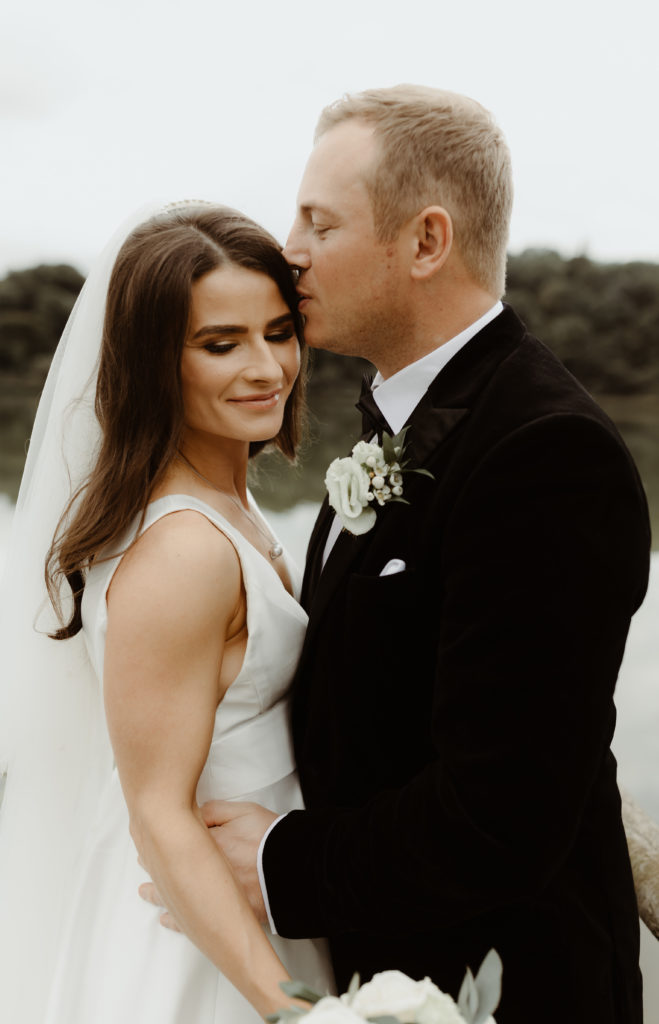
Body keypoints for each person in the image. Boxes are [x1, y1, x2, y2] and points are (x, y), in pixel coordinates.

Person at [190, 87, 652, 1023]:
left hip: (505, 988)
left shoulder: (546, 455)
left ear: (425, 242)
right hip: (385, 974)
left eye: (320, 221)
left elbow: (502, 813)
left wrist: (282, 863)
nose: (290, 249)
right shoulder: (404, 422)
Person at [0, 202, 334, 1022]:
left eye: (279, 332)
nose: (267, 368)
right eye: (220, 344)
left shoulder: (223, 510)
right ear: (151, 363)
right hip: (200, 940)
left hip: (259, 888)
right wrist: (299, 1012)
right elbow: (158, 815)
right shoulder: (183, 552)